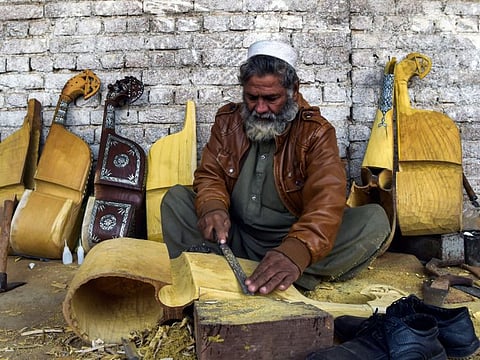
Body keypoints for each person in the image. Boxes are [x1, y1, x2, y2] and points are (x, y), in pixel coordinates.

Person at [161, 39, 391, 295]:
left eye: (271, 98)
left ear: (293, 89)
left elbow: (327, 200)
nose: (260, 108)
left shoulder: (315, 133)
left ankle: (286, 270)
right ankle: (251, 272)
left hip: (291, 236)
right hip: (235, 235)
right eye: (252, 97)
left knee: (374, 221)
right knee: (176, 200)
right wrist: (212, 207)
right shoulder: (228, 121)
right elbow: (210, 175)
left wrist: (297, 251)